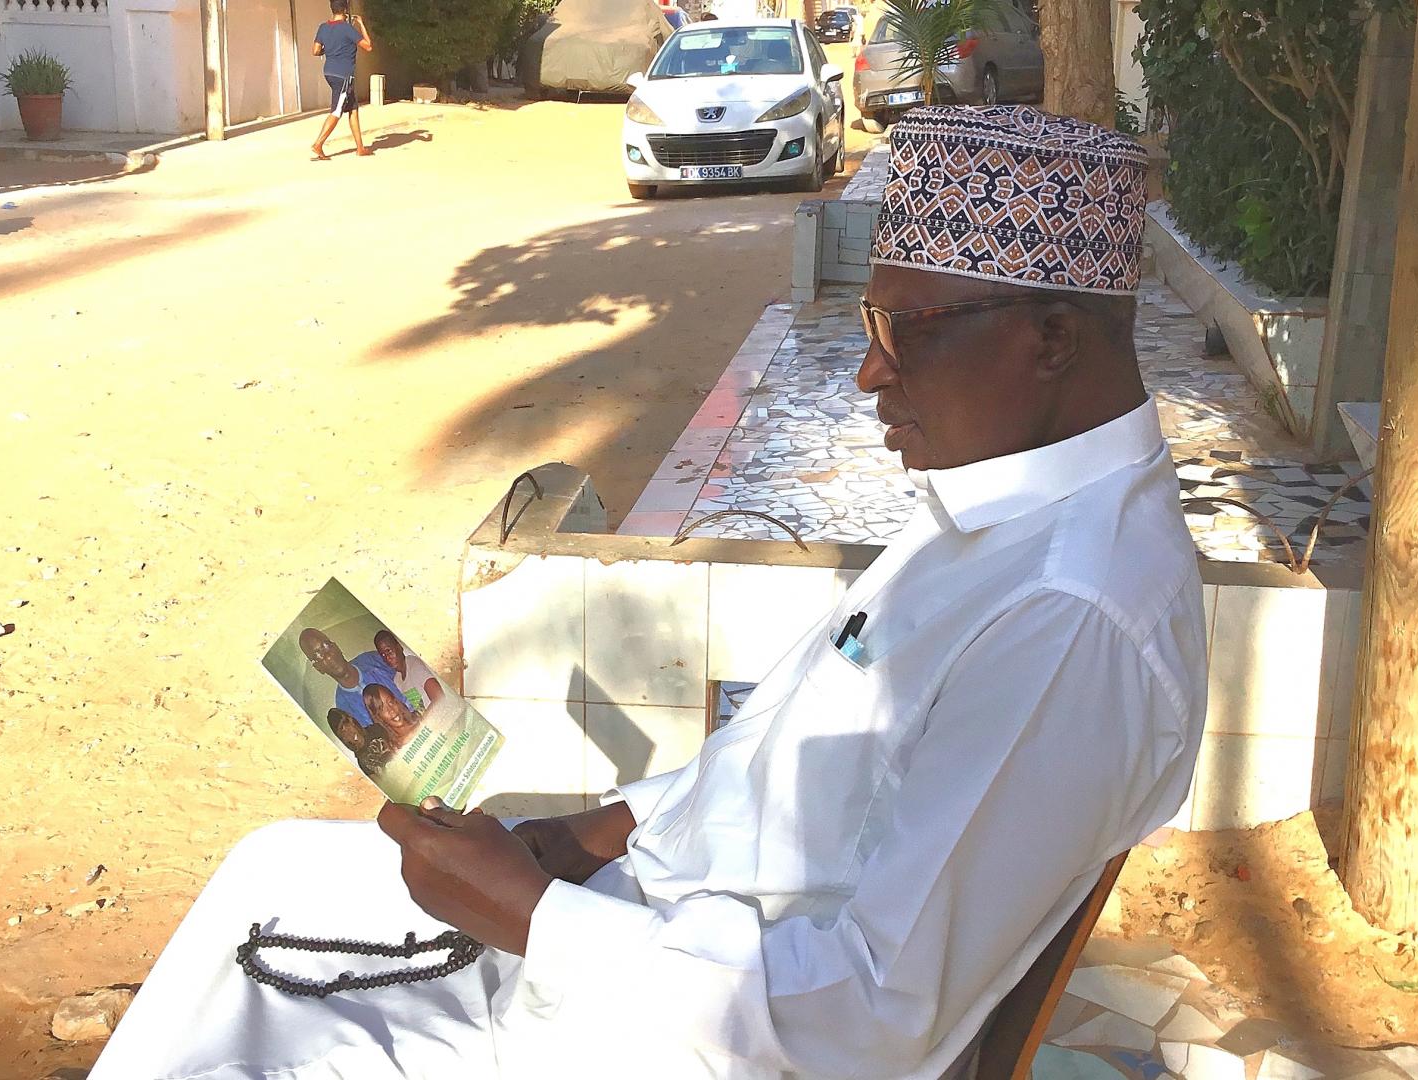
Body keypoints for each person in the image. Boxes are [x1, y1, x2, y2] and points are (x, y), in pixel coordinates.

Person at [91, 106, 1207, 1080]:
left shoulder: (1070, 613)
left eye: (897, 332)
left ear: (1049, 339)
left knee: (215, 1050)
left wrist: (535, 920)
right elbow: (773, 762)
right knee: (275, 869)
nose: (868, 371)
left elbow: (873, 1019)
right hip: (642, 939)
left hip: (685, 1039)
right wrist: (587, 837)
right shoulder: (999, 517)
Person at [298, 627, 406, 727]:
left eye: (325, 646)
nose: (328, 656)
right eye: (318, 655)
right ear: (318, 668)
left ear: (336, 646)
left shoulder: (374, 660)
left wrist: (417, 705)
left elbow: (409, 675)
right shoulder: (345, 709)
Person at [310, 0, 373, 161]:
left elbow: (315, 51)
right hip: (344, 75)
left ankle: (360, 147)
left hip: (329, 72)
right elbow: (368, 46)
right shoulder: (347, 28)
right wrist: (361, 24)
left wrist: (329, 48)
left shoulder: (323, 27)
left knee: (353, 109)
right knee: (337, 110)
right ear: (345, 10)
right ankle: (318, 144)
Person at [374, 629, 446, 713]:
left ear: (399, 647)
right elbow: (420, 707)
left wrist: (424, 721)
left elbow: (439, 697)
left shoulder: (414, 664)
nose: (387, 658)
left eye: (388, 651)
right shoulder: (397, 679)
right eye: (383, 655)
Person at [330, 707, 393, 777]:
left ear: (351, 720)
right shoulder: (362, 762)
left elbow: (398, 746)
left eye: (346, 723)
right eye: (342, 730)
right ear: (342, 738)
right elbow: (382, 783)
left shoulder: (376, 729)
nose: (348, 732)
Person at [363, 682, 424, 753]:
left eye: (390, 702)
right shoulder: (394, 749)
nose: (391, 710)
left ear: (396, 701)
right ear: (378, 717)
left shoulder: (421, 714)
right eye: (382, 708)